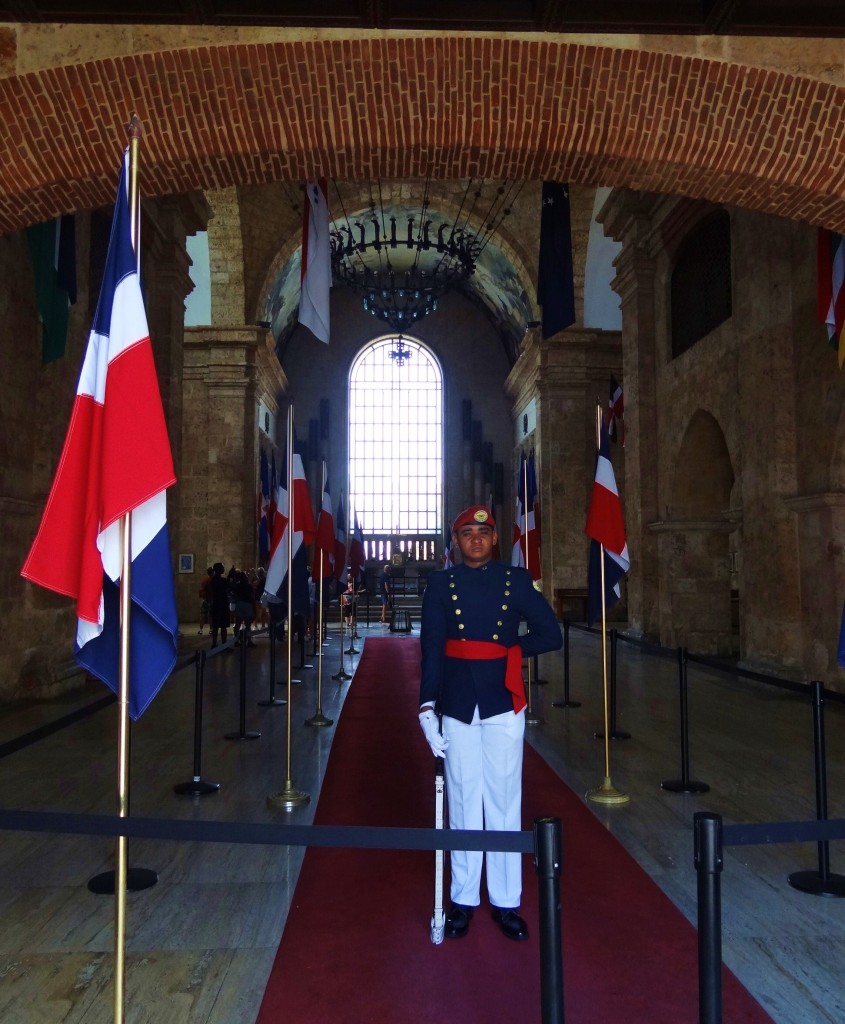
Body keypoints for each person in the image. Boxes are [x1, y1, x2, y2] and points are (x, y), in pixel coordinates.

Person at [418, 504, 562, 942]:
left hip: (502, 703)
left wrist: (509, 653)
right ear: (455, 541)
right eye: (466, 533)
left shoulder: (515, 581)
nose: (475, 539)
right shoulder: (441, 585)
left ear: (495, 538)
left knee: (503, 801)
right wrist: (427, 708)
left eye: (483, 531)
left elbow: (550, 633)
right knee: (463, 800)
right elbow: (431, 649)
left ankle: (505, 900)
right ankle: (463, 898)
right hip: (458, 702)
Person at [209, 562, 231, 648]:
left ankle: (214, 643)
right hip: (222, 603)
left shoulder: (213, 580)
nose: (223, 569)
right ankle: (224, 643)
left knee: (216, 626)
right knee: (223, 626)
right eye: (222, 567)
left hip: (216, 604)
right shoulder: (221, 580)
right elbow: (228, 587)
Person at [197, 566, 212, 635]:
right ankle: (211, 629)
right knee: (211, 615)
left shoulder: (204, 580)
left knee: (202, 615)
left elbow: (201, 590)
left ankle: (201, 630)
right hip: (211, 600)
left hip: (204, 599)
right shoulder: (213, 580)